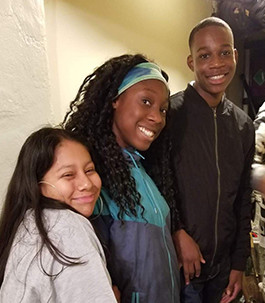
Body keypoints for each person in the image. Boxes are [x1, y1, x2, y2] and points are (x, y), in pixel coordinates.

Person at [63, 54, 181, 302]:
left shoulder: (144, 170)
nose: (157, 117)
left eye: (162, 109)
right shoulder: (92, 179)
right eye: (146, 101)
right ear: (115, 99)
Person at [167, 17, 255, 303]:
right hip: (185, 269)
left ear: (235, 56)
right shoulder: (171, 115)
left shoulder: (243, 125)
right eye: (205, 55)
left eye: (224, 52)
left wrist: (239, 263)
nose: (216, 63)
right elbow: (158, 181)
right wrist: (178, 231)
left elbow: (243, 197)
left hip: (224, 267)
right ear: (192, 62)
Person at [0, 127, 117, 302]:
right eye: (68, 174)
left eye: (89, 170)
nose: (86, 183)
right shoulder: (67, 226)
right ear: (38, 184)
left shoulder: (29, 223)